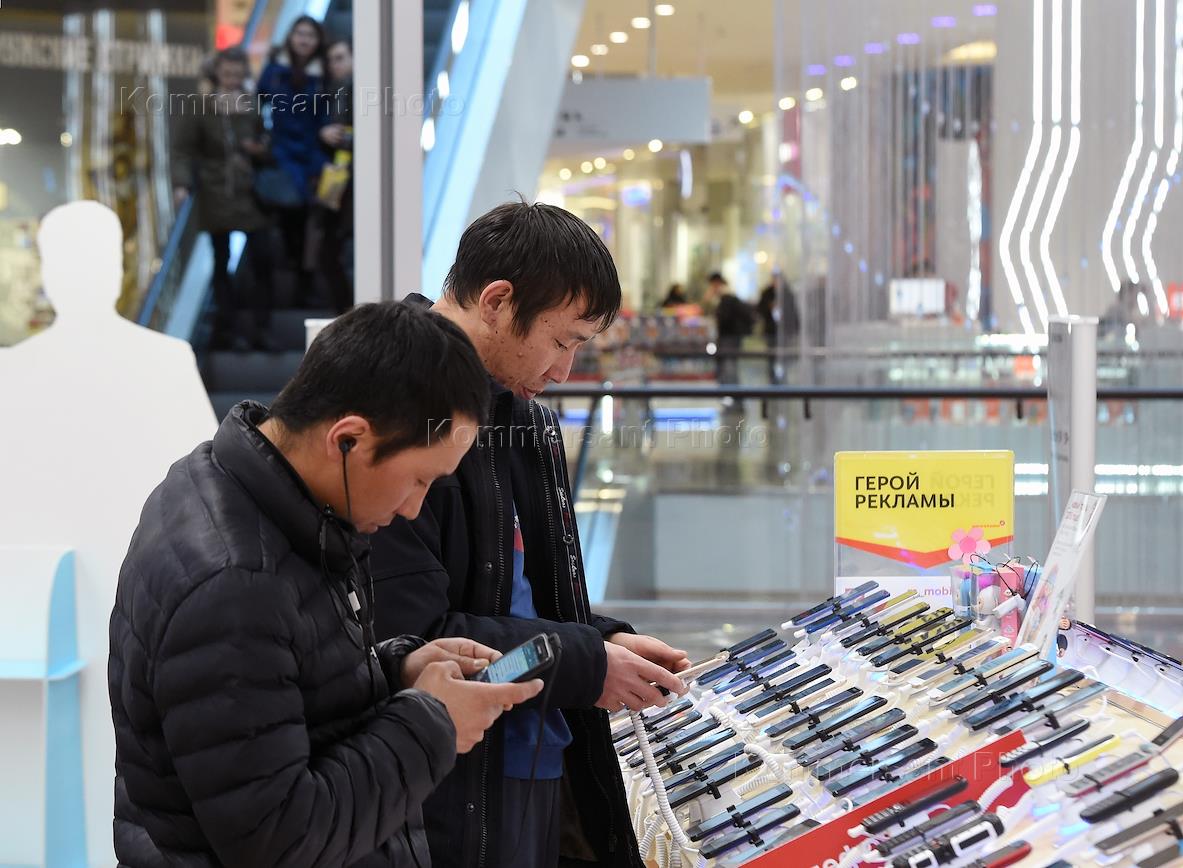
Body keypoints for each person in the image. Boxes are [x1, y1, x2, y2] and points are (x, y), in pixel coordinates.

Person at [108, 302, 544, 868]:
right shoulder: (235, 582)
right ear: (348, 439)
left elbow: (281, 692)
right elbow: (278, 838)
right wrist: (433, 725)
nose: (414, 508)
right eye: (418, 479)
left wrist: (395, 672)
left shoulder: (259, 495)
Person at [370, 201, 692, 868]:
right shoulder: (399, 412)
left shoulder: (521, 418)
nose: (565, 371)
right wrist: (586, 663)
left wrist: (603, 641)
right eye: (563, 341)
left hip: (533, 755)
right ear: (497, 302)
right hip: (442, 784)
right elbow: (412, 640)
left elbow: (521, 597)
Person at [171, 46, 277, 351]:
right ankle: (227, 329)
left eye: (236, 73)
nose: (231, 78)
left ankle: (260, 327)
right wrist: (182, 184)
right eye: (226, 72)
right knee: (221, 261)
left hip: (250, 192)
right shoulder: (201, 105)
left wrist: (259, 149)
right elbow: (183, 149)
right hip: (215, 192)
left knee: (262, 259)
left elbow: (267, 141)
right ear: (216, 72)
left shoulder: (252, 103)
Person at [257, 15, 329, 307]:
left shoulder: (323, 73)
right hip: (282, 154)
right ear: (290, 36)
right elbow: (257, 101)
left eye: (310, 35)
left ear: (317, 41)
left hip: (314, 156)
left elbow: (328, 112)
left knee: (312, 227)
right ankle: (292, 285)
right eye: (299, 33)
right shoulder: (275, 70)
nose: (304, 40)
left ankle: (305, 284)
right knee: (289, 223)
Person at [316, 37, 354, 313]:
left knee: (336, 251)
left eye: (340, 58)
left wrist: (343, 138)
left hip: (352, 182)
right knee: (328, 252)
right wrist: (323, 133)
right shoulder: (330, 91)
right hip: (336, 179)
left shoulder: (360, 90)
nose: (334, 65)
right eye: (330, 60)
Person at [709, 271, 754, 400]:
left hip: (729, 338)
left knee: (729, 368)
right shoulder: (727, 297)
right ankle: (733, 397)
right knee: (729, 367)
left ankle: (734, 398)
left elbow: (724, 319)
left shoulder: (726, 298)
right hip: (731, 337)